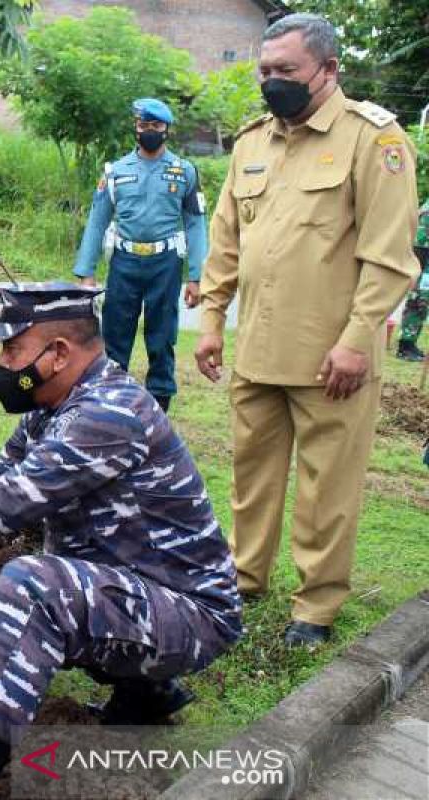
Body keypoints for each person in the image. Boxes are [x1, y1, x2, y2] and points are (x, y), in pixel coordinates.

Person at [0, 283, 242, 800]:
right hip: (142, 592)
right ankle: (145, 696)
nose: (3, 363)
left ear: (57, 355)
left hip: (192, 616)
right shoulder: (51, 412)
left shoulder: (106, 415)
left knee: (30, 589)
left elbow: (3, 506)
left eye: (12, 349)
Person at [196, 13, 420, 647]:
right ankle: (242, 578)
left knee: (329, 485)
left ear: (328, 71)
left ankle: (315, 607)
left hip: (334, 358)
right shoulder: (250, 143)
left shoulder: (374, 141)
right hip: (258, 351)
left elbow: (389, 256)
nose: (273, 82)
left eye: (286, 71)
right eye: (266, 71)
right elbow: (226, 244)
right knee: (250, 474)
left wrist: (357, 341)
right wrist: (211, 320)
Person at [72, 98, 207, 413]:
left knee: (162, 336)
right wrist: (85, 272)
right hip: (124, 262)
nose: (150, 131)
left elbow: (197, 223)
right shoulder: (116, 171)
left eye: (156, 126)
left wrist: (197, 275)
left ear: (166, 130)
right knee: (116, 334)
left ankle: (158, 405)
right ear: (136, 128)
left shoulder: (184, 172)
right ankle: (110, 403)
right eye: (144, 125)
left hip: (166, 264)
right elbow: (97, 220)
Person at [394, 197, 429, 362]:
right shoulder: (428, 211)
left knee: (423, 307)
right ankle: (405, 346)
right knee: (417, 304)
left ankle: (411, 344)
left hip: (425, 264)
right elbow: (419, 244)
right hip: (422, 263)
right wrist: (419, 273)